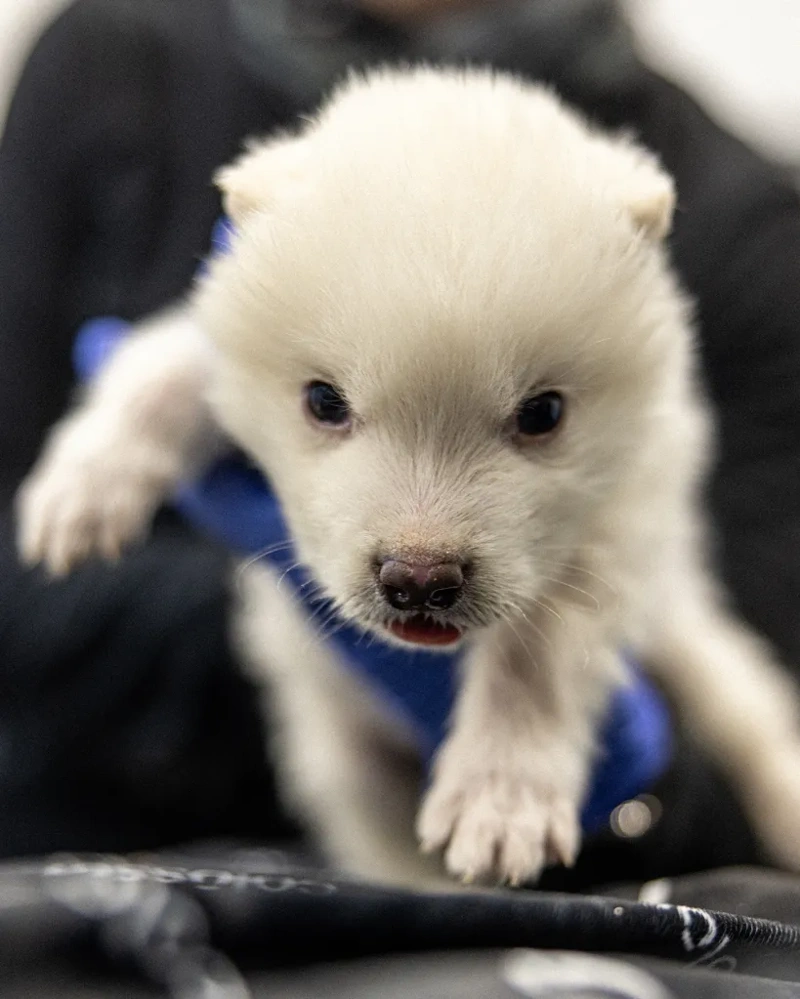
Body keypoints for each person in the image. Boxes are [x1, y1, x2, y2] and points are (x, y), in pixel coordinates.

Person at [0, 0, 797, 884]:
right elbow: (203, 353)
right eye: (330, 405)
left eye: (536, 417)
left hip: (595, 888)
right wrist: (127, 442)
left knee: (725, 690)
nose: (423, 558)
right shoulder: (118, 61)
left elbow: (681, 589)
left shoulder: (743, 223)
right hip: (82, 836)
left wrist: (594, 748)